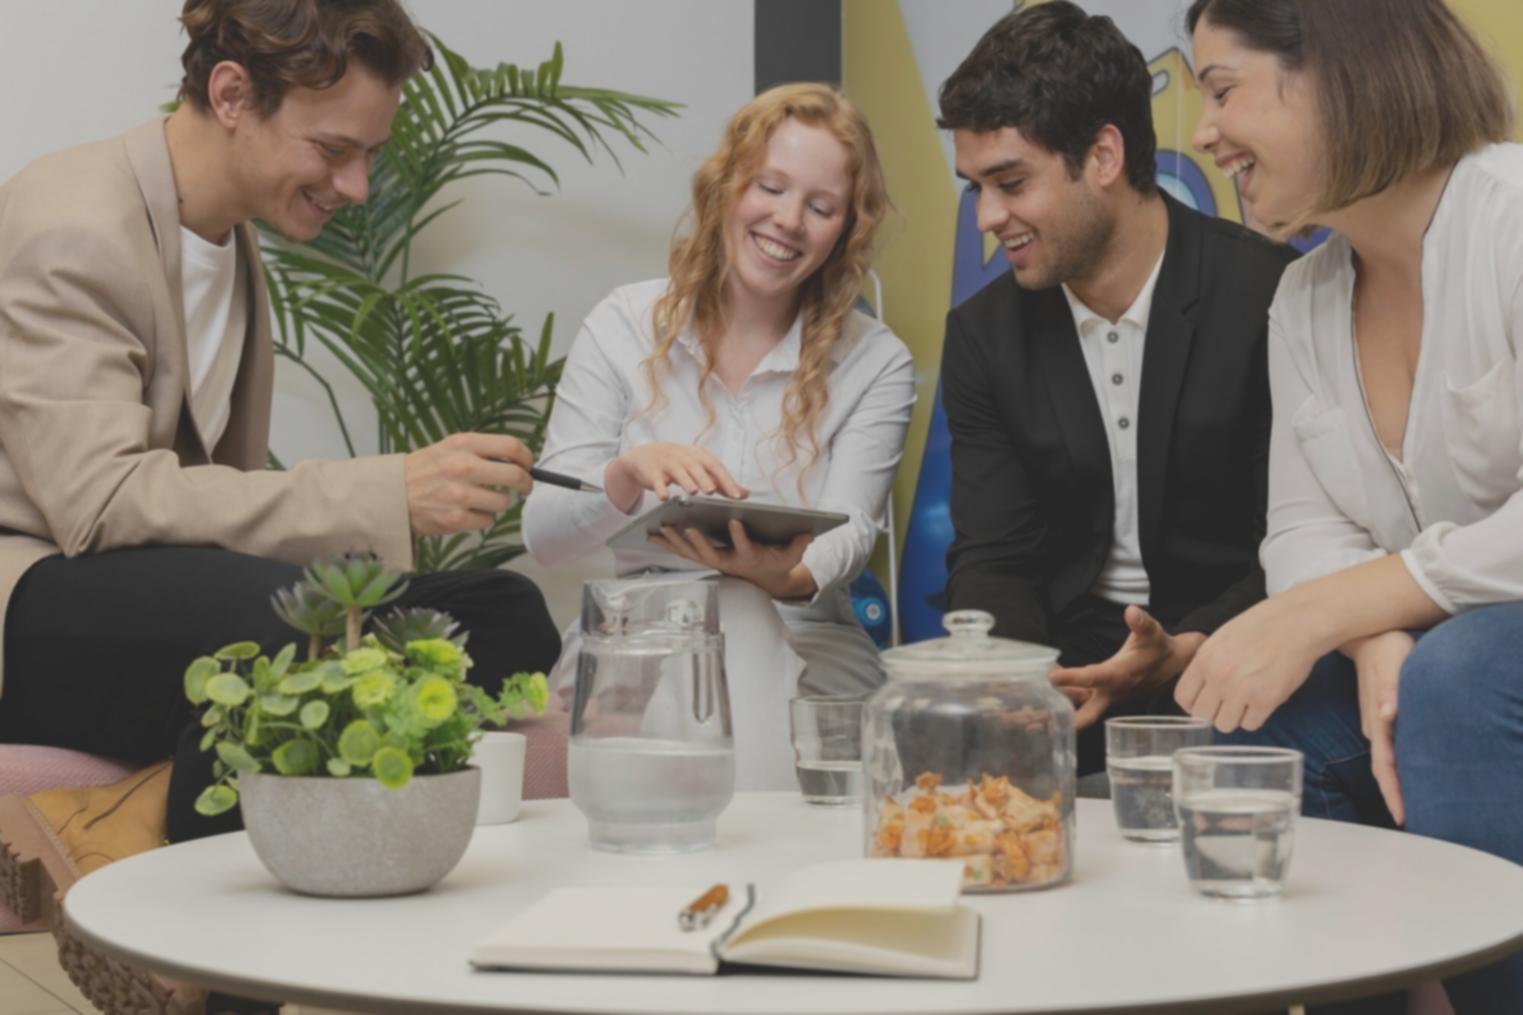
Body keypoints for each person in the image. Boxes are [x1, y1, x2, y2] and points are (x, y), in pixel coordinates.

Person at [0, 2, 560, 1001]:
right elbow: (97, 499)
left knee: (507, 613)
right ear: (230, 97)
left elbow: (198, 498)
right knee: (287, 637)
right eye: (334, 150)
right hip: (43, 597)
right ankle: (201, 973)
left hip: (155, 589)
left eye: (368, 155)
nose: (356, 186)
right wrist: (384, 488)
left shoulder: (228, 237)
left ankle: (144, 816)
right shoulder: (75, 216)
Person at [1178, 1, 1522, 1009]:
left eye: (1221, 88)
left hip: (1476, 670)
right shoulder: (1303, 299)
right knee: (1246, 708)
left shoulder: (1509, 219)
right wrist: (1372, 634)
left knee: (1453, 679)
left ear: (1338, 69)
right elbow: (1301, 525)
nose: (1201, 133)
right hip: (1445, 650)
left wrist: (1351, 605)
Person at [935, 1, 1296, 773]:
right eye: (975, 189)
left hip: (1234, 637)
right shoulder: (982, 334)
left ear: (1102, 154)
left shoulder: (1270, 296)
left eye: (1009, 183)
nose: (986, 220)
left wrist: (1189, 646)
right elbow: (994, 555)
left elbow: (1300, 539)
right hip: (1068, 655)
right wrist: (1022, 686)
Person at [522, 83, 914, 791]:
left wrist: (780, 577)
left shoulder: (875, 360)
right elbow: (546, 536)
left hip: (806, 635)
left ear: (844, 230)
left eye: (820, 207)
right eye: (770, 187)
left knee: (737, 607)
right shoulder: (622, 324)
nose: (788, 221)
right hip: (634, 635)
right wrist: (625, 475)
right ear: (727, 184)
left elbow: (851, 531)